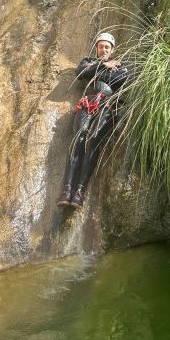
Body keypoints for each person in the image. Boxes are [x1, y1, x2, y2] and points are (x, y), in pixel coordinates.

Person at [57, 32, 128, 210]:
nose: (103, 49)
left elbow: (119, 79)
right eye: (101, 46)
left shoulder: (121, 65)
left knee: (95, 139)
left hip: (108, 106)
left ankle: (80, 191)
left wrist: (98, 70)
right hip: (88, 104)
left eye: (107, 47)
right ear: (96, 48)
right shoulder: (88, 61)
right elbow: (80, 71)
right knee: (79, 138)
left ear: (112, 49)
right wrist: (104, 66)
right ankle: (67, 190)